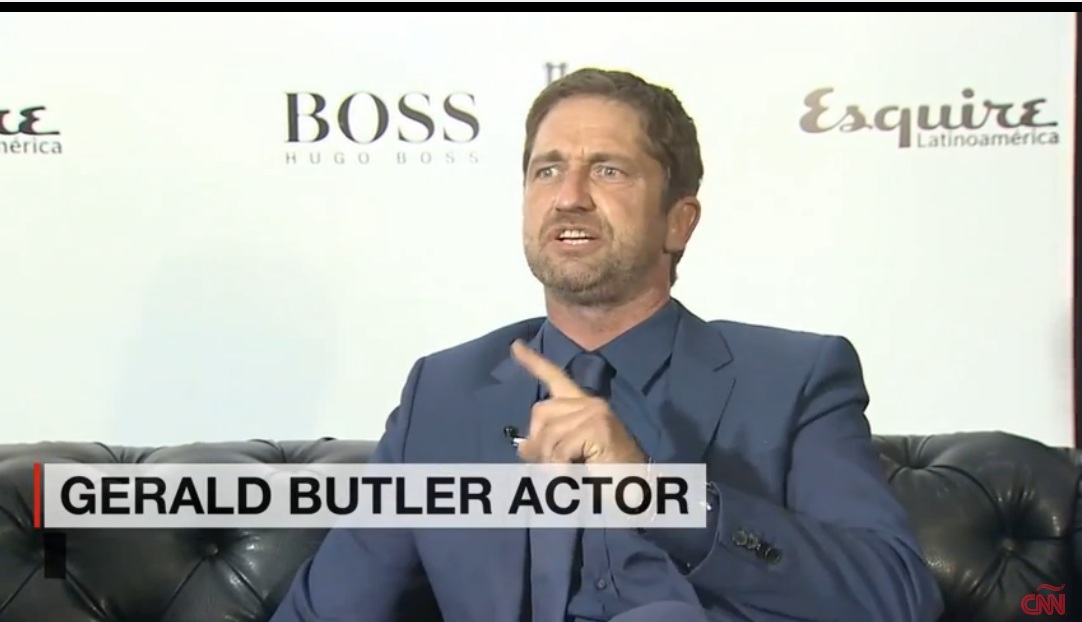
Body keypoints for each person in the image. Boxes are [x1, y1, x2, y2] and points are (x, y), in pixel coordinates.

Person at [269, 68, 944, 622]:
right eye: (546, 171)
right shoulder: (443, 394)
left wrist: (661, 497)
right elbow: (330, 607)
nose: (569, 197)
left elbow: (896, 596)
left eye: (609, 171)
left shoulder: (793, 378)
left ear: (679, 222)